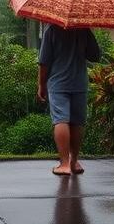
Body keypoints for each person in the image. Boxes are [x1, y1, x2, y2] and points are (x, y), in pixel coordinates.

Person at [37, 23, 101, 176]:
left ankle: (64, 164)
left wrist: (41, 84)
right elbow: (95, 56)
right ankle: (74, 161)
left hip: (58, 83)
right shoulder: (84, 29)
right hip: (79, 82)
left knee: (60, 120)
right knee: (77, 122)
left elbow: (44, 61)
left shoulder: (51, 29)